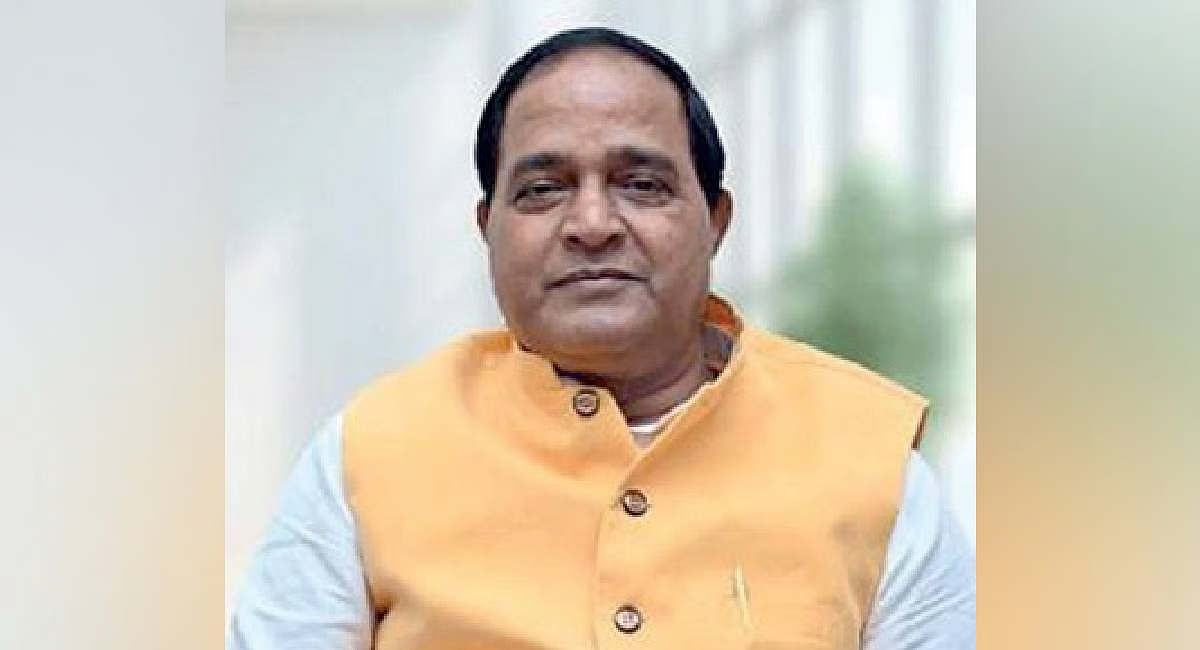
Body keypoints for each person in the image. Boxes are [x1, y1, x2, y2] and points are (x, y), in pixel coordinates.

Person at [228, 27, 975, 650]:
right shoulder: (369, 453)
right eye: (543, 189)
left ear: (715, 221)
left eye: (641, 184)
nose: (591, 224)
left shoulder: (870, 462)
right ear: (488, 229)